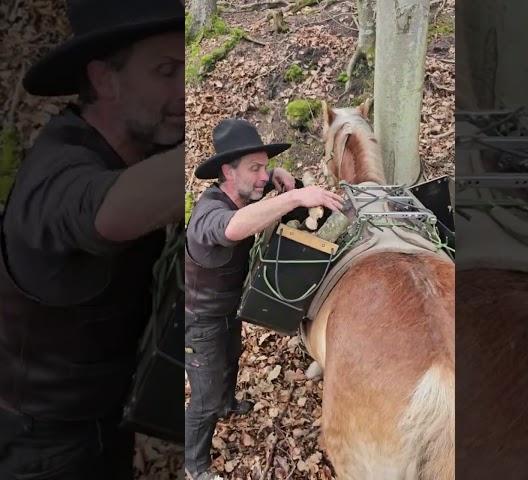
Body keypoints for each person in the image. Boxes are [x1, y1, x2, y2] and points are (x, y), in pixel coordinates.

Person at [0, 1, 184, 479]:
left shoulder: (133, 146)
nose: (186, 89)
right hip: (41, 450)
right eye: (167, 70)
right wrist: (222, 145)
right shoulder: (57, 171)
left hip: (101, 424)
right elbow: (107, 213)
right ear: (104, 80)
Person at [185, 118, 343, 479]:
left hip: (228, 312)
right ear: (227, 172)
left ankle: (227, 404)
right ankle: (194, 465)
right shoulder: (208, 214)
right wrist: (295, 196)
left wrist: (276, 177)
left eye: (264, 166)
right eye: (254, 168)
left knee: (230, 361)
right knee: (203, 398)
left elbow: (255, 195)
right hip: (200, 320)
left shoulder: (241, 191)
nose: (263, 175)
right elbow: (232, 227)